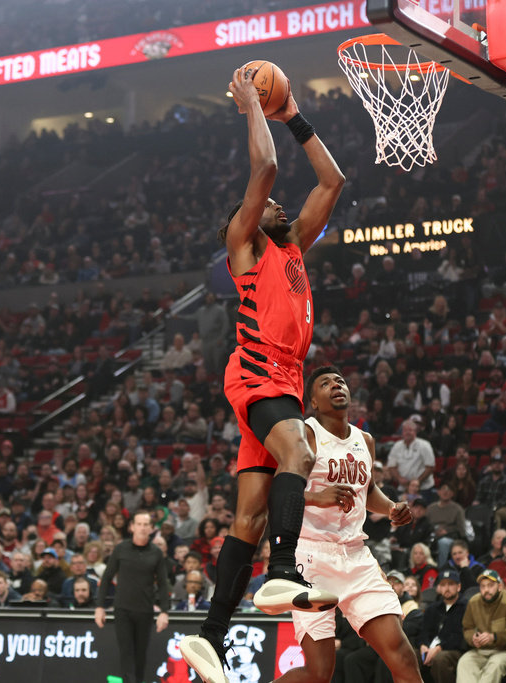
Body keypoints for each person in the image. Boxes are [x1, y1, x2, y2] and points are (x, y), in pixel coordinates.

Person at [181, 64, 345, 683]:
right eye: (264, 205)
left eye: (277, 206)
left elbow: (332, 178)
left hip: (282, 379)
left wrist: (295, 113)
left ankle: (211, 636)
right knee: (300, 448)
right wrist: (254, 104)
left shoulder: (294, 244)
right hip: (257, 375)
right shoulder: (245, 246)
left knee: (247, 514)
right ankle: (282, 571)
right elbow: (267, 170)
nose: (276, 203)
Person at [255, 365, 421, 683]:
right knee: (319, 673)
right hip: (311, 557)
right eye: (326, 383)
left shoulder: (365, 440)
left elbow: (367, 490)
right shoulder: (304, 434)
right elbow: (278, 491)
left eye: (341, 381)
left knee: (401, 652)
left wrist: (390, 508)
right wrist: (318, 495)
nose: (336, 385)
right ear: (313, 402)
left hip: (356, 555)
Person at [95, 511, 171, 683]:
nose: (143, 528)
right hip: (123, 609)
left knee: (140, 653)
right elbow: (106, 578)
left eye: (146, 525)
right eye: (139, 524)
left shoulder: (156, 552)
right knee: (126, 652)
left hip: (145, 610)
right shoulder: (121, 549)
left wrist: (164, 611)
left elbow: (163, 583)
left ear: (152, 529)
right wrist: (99, 607)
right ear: (132, 527)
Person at [458, 569, 506, 683]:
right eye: (483, 586)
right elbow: (467, 628)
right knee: (464, 662)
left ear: (499, 587)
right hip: (480, 650)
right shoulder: (473, 602)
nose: (486, 590)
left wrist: (494, 637)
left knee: (495, 665)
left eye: (490, 586)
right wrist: (472, 638)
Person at [419, 568, 469, 683]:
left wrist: (439, 648)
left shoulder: (466, 607)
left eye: (451, 584)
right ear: (439, 588)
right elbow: (424, 632)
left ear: (459, 587)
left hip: (453, 650)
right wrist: (423, 645)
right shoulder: (432, 609)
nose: (447, 588)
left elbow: (461, 636)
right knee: (408, 654)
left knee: (440, 659)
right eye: (443, 584)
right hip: (430, 647)